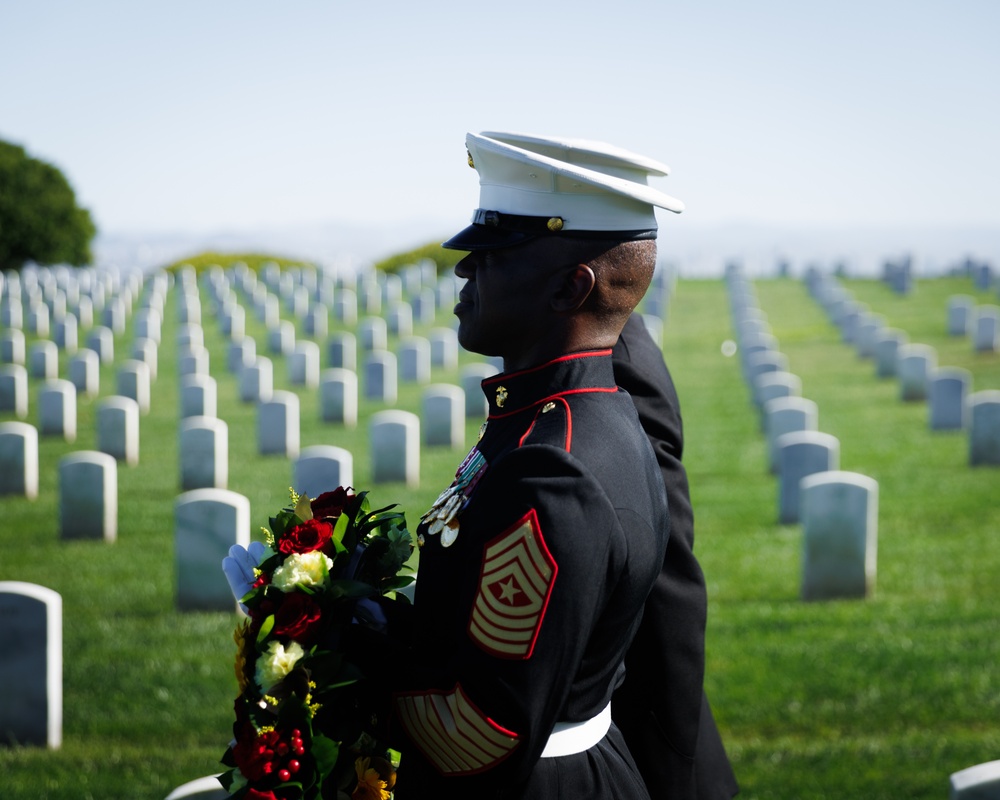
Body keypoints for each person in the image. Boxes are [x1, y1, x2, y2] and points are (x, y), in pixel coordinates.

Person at [359, 131, 688, 799]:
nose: (463, 270)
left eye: (493, 254)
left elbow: (480, 732)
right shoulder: (578, 419)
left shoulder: (552, 472)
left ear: (571, 287)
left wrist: (347, 656)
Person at [611, 313, 740, 799]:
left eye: (494, 259)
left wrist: (669, 772)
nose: (466, 271)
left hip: (636, 746)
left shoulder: (611, 358)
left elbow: (661, 571)